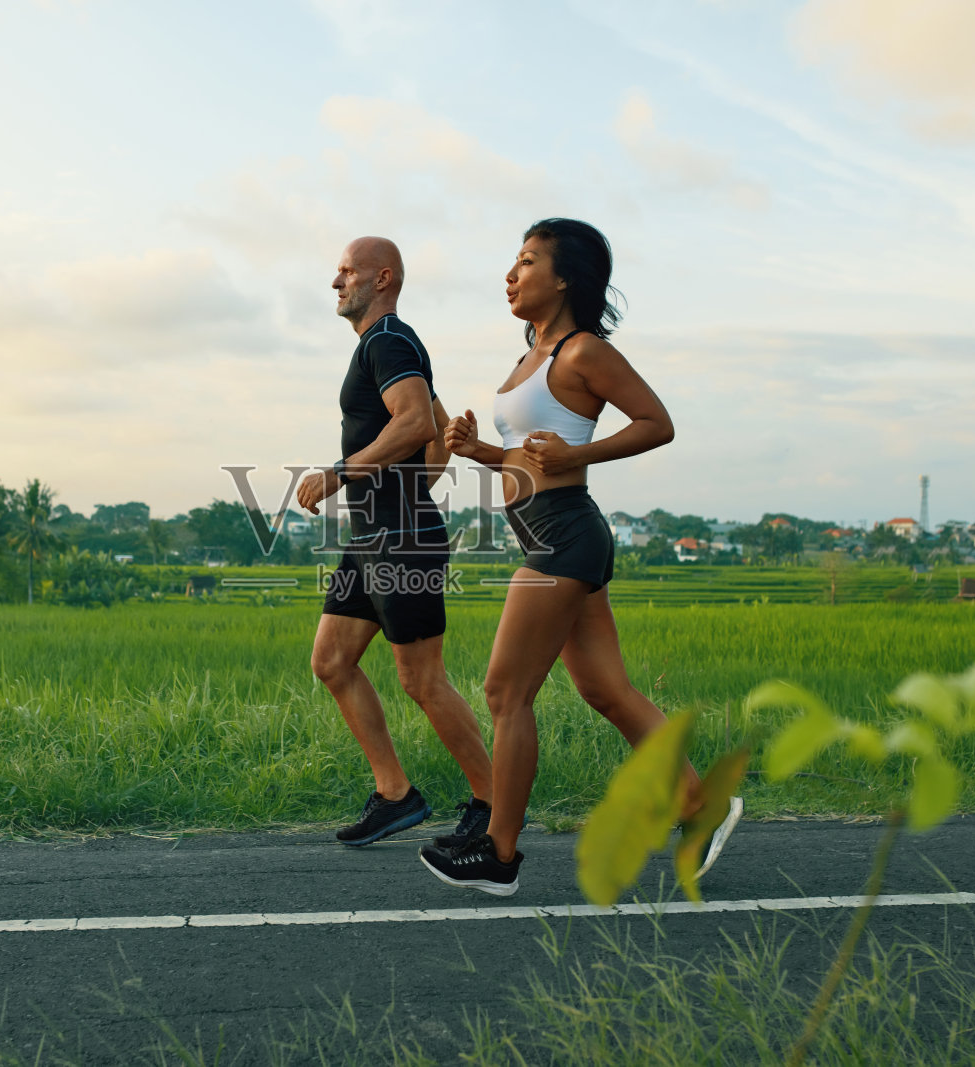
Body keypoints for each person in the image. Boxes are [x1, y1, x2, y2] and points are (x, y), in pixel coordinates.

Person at [420, 218, 742, 896]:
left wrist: (582, 454)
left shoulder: (581, 351)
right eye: (513, 261)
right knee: (605, 689)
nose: (511, 273)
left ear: (563, 278)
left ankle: (500, 854)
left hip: (564, 536)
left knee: (507, 691)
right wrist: (482, 452)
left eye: (528, 261)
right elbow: (533, 455)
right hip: (551, 533)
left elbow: (657, 422)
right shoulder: (529, 357)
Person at [296, 236, 495, 849]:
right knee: (331, 661)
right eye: (336, 272)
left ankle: (493, 805)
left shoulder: (388, 340)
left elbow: (412, 422)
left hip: (401, 540)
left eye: (346, 271)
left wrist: (341, 473)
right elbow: (434, 431)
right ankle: (396, 795)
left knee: (422, 679)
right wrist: (419, 483)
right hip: (376, 537)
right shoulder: (382, 346)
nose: (336, 282)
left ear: (382, 278)